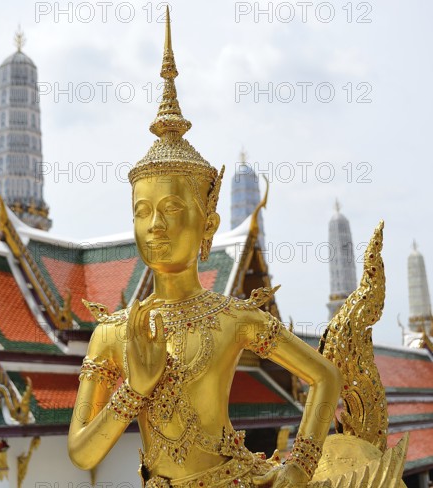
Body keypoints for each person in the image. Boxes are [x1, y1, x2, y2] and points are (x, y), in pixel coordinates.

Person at [69, 10, 345, 488]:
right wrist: (133, 390)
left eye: (171, 208)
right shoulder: (115, 335)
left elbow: (324, 376)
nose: (154, 225)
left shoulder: (233, 319)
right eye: (141, 211)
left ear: (208, 225)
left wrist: (297, 467)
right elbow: (81, 451)